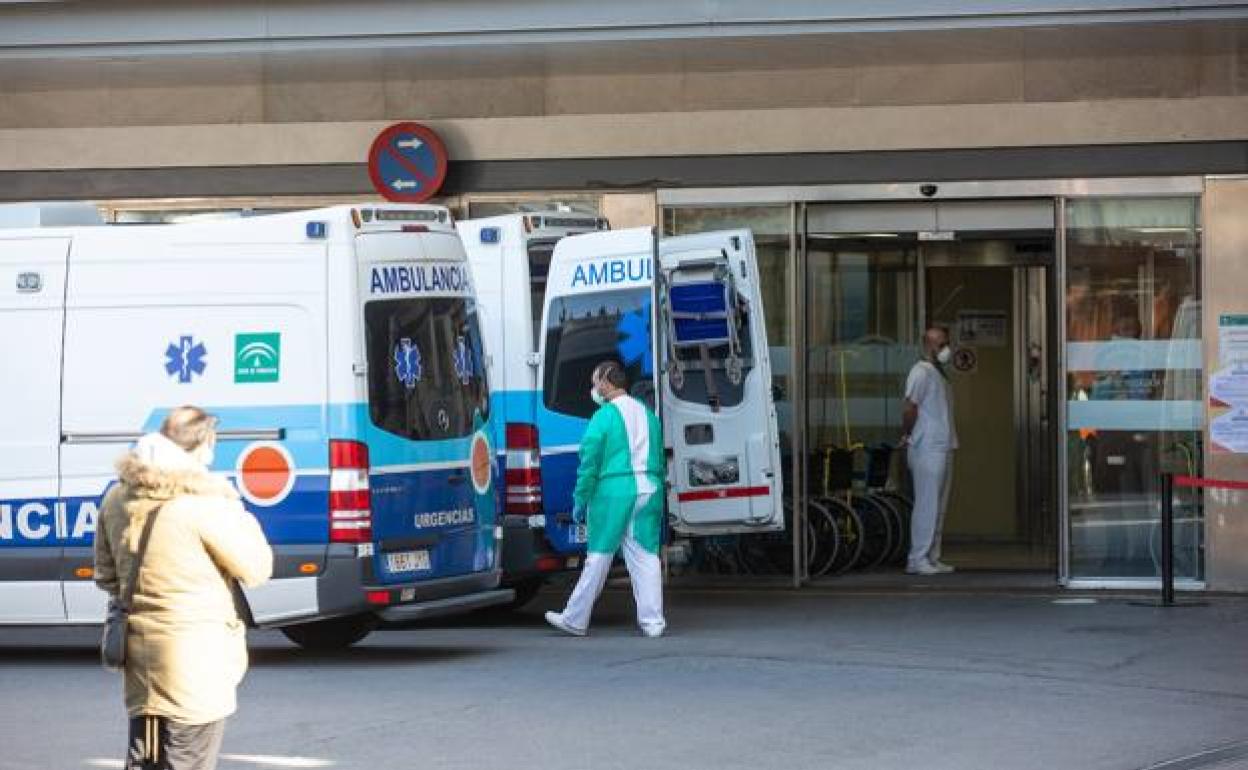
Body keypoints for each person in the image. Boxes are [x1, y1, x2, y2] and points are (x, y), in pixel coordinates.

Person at [95, 406, 273, 770]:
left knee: (145, 761)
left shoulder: (116, 498)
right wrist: (236, 508)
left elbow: (107, 576)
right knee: (188, 760)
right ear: (204, 445)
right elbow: (257, 568)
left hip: (141, 665)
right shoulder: (204, 505)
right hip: (195, 664)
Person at [546, 361, 666, 638]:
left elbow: (589, 462)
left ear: (605, 383)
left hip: (613, 493)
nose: (594, 388)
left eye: (594, 382)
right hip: (649, 488)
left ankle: (575, 619)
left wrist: (580, 499)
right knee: (645, 556)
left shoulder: (603, 416)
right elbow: (659, 455)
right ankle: (653, 622)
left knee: (598, 556)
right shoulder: (647, 414)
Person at [901, 326, 958, 576]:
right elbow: (909, 407)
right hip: (926, 447)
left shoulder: (938, 373)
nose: (945, 348)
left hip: (943, 444)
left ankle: (932, 556)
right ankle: (917, 558)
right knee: (927, 504)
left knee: (939, 505)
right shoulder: (921, 372)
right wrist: (908, 434)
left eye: (946, 343)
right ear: (928, 345)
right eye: (941, 344)